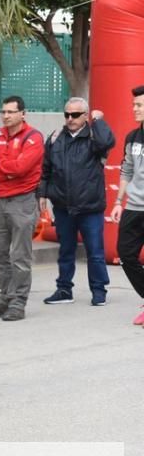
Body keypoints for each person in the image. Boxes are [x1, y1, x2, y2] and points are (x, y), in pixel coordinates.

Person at [37, 98, 114, 307]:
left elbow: (108, 142)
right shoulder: (55, 139)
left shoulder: (94, 137)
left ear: (86, 115)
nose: (70, 119)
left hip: (90, 207)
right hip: (63, 206)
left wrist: (98, 121)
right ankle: (64, 289)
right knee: (66, 251)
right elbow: (46, 170)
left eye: (76, 115)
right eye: (67, 114)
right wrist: (42, 194)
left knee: (95, 252)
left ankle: (99, 291)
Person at [0, 95, 44, 322]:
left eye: (10, 112)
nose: (6, 116)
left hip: (23, 201)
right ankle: (7, 296)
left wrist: (0, 167)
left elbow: (23, 167)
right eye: (3, 112)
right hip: (0, 200)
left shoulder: (33, 137)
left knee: (19, 256)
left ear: (22, 114)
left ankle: (18, 303)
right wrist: (6, 170)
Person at [111, 85, 144, 324]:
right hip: (133, 207)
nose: (134, 109)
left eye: (139, 105)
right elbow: (127, 170)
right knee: (125, 254)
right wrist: (118, 201)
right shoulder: (132, 137)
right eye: (134, 105)